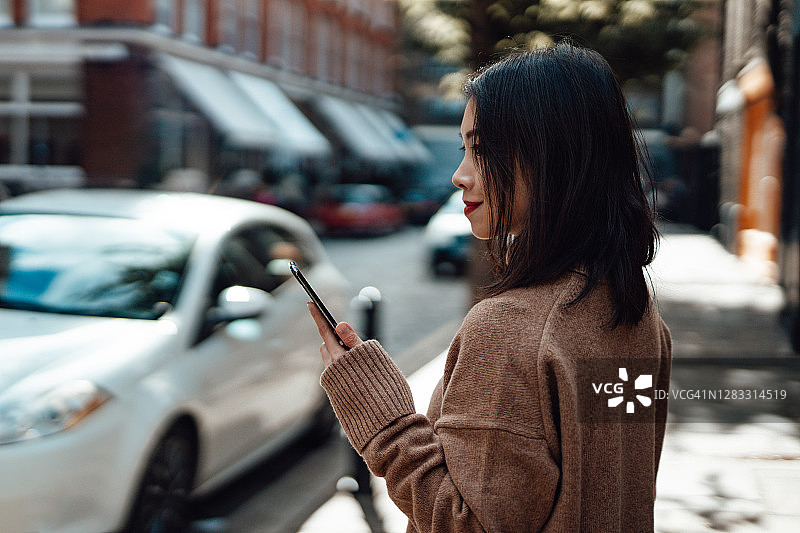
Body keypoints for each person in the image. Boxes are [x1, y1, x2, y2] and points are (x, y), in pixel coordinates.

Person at [307, 42, 672, 532]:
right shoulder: (631, 309)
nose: (460, 176)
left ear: (551, 157)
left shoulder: (510, 330)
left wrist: (385, 422)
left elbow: (469, 524)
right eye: (464, 149)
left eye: (482, 150)